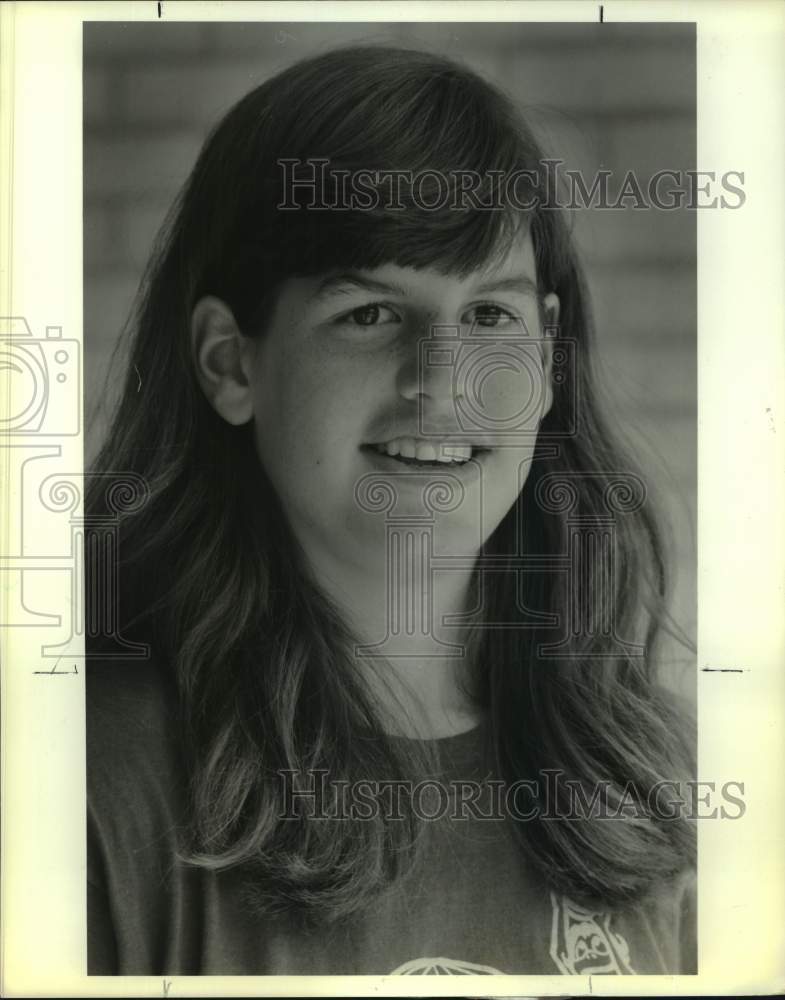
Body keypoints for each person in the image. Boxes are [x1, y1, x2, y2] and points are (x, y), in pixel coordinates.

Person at [85, 44, 696, 976]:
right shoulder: (84, 793)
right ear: (229, 363)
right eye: (369, 313)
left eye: (490, 317)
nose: (441, 382)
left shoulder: (660, 781)